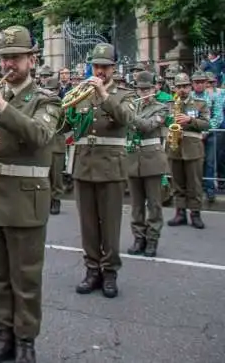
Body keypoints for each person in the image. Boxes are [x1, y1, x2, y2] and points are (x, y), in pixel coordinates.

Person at [0, 26, 61, 363]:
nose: (8, 63)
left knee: (25, 277)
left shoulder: (46, 98)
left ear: (31, 60)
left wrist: (0, 105)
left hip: (25, 199)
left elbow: (39, 135)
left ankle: (26, 341)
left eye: (15, 57)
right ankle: (3, 334)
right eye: (5, 57)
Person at [64, 43, 135, 299]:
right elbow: (66, 124)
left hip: (111, 167)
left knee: (110, 225)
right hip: (84, 165)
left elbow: (127, 119)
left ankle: (110, 272)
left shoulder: (124, 94)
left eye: (104, 67)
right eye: (96, 66)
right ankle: (92, 269)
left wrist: (104, 95)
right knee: (88, 225)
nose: (100, 71)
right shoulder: (80, 92)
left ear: (113, 68)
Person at [125, 71, 169, 257]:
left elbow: (148, 126)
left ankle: (152, 239)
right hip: (133, 159)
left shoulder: (161, 107)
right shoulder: (131, 107)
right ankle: (138, 238)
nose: (142, 93)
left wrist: (127, 116)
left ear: (154, 89)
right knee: (136, 205)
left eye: (146, 89)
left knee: (154, 204)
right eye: (140, 89)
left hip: (152, 159)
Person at [165, 72, 209, 229]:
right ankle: (180, 213)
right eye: (179, 87)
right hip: (175, 148)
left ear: (190, 87)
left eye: (184, 86)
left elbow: (206, 124)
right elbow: (165, 122)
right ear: (175, 88)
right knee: (177, 183)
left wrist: (190, 120)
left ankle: (195, 214)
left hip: (193, 148)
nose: (182, 89)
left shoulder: (200, 103)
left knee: (194, 184)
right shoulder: (170, 104)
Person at [43, 76, 66, 215]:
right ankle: (46, 201)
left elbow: (66, 125)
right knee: (44, 176)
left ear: (58, 90)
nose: (50, 93)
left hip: (57, 145)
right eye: (48, 90)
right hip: (44, 144)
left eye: (52, 90)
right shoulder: (42, 104)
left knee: (56, 176)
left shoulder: (63, 105)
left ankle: (56, 200)